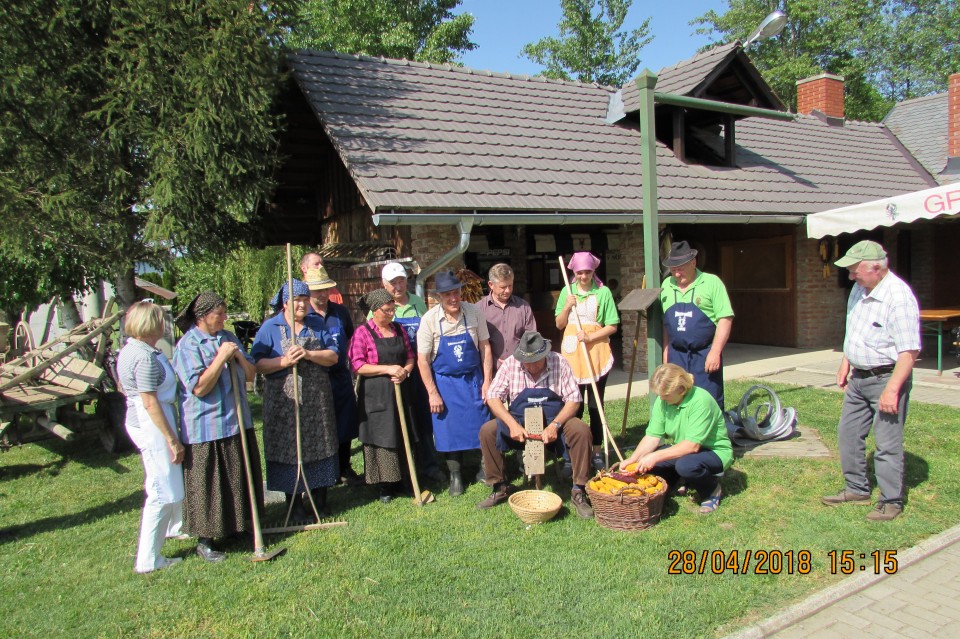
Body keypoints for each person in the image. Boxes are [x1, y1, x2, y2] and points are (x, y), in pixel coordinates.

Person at [821, 240, 920, 522]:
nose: (851, 276)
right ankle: (856, 489)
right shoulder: (859, 288)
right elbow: (854, 328)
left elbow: (909, 351)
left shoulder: (898, 298)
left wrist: (892, 390)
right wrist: (845, 362)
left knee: (887, 443)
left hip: (886, 378)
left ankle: (891, 501)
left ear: (877, 267)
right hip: (858, 378)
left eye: (855, 270)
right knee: (848, 434)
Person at [173, 291, 261, 563]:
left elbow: (250, 376)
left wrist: (238, 358)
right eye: (219, 313)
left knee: (237, 475)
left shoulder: (229, 337)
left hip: (236, 420)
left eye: (225, 312)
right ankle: (205, 539)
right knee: (209, 481)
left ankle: (236, 525)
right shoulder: (188, 346)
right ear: (202, 317)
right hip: (205, 425)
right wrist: (220, 358)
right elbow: (199, 388)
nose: (225, 318)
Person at [477, 331, 595, 519]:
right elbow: (492, 397)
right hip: (520, 423)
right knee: (487, 431)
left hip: (554, 422)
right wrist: (512, 424)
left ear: (545, 354)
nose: (532, 366)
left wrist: (555, 425)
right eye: (527, 362)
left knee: (581, 430)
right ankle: (500, 486)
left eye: (537, 361)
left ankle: (579, 490)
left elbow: (574, 400)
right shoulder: (510, 365)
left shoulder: (559, 362)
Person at [251, 279, 339, 520]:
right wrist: (283, 362)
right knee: (290, 449)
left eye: (304, 299)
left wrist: (309, 354)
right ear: (285, 303)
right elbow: (256, 364)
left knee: (320, 444)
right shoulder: (271, 327)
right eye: (297, 300)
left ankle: (319, 501)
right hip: (284, 403)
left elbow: (333, 356)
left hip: (316, 400)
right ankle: (295, 505)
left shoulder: (316, 324)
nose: (302, 305)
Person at [117, 301, 185, 573]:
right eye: (159, 321)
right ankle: (148, 558)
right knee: (160, 488)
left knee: (165, 482)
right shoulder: (143, 356)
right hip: (152, 423)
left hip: (155, 417)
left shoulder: (137, 349)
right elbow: (148, 401)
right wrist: (171, 439)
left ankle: (173, 528)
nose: (163, 325)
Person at [619, 363, 733, 515]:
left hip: (713, 451)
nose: (661, 398)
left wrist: (654, 456)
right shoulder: (663, 401)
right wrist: (634, 459)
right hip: (682, 449)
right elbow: (652, 436)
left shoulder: (701, 400)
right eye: (659, 394)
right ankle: (680, 480)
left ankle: (711, 490)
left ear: (681, 389)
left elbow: (692, 446)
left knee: (685, 465)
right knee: (648, 467)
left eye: (665, 395)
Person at [417, 271, 493, 496]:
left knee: (482, 423)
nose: (453, 298)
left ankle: (484, 468)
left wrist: (487, 381)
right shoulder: (429, 320)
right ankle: (455, 476)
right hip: (445, 383)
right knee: (448, 429)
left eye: (456, 292)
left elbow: (486, 347)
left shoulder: (473, 312)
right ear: (439, 296)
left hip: (473, 379)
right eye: (447, 294)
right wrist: (432, 393)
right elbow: (422, 360)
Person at [374, 261, 444, 483]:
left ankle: (430, 465)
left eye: (401, 280)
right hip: (394, 375)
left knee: (424, 420)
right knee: (401, 421)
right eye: (393, 282)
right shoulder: (377, 309)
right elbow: (371, 339)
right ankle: (404, 470)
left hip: (419, 371)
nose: (398, 286)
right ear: (384, 285)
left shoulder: (417, 304)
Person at [349, 288, 417, 503]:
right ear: (375, 311)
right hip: (376, 394)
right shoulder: (363, 333)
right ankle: (385, 485)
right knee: (381, 435)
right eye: (387, 311)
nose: (391, 314)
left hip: (401, 390)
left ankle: (405, 480)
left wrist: (405, 372)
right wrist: (388, 369)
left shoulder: (398, 329)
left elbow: (410, 356)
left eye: (393, 310)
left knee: (401, 431)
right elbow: (358, 365)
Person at [555, 251, 619, 471]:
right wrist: (566, 306)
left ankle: (597, 450)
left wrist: (591, 336)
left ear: (594, 271)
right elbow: (559, 324)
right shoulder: (567, 291)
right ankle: (571, 451)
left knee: (595, 405)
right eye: (580, 272)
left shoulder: (603, 293)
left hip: (596, 353)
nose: (584, 276)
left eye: (588, 272)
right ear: (573, 272)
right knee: (574, 406)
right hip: (573, 356)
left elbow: (612, 325)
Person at [305, 266, 362, 486]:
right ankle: (326, 469)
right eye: (317, 290)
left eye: (325, 290)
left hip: (340, 376)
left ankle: (345, 466)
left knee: (345, 421)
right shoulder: (304, 316)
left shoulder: (340, 312)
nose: (322, 294)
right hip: (317, 378)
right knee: (322, 424)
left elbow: (350, 337)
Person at [660, 240, 734, 410]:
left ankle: (711, 435)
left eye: (681, 269)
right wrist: (666, 353)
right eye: (673, 270)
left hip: (704, 354)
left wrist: (715, 352)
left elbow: (725, 319)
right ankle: (683, 435)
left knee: (707, 401)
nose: (677, 274)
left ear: (693, 262)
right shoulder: (666, 285)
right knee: (677, 399)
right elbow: (666, 324)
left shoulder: (711, 283)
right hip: (676, 355)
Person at [480, 263, 536, 372]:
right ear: (491, 284)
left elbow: (531, 339)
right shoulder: (479, 309)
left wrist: (518, 358)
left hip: (520, 369)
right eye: (503, 287)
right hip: (491, 372)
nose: (507, 290)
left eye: (510, 285)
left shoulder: (523, 307)